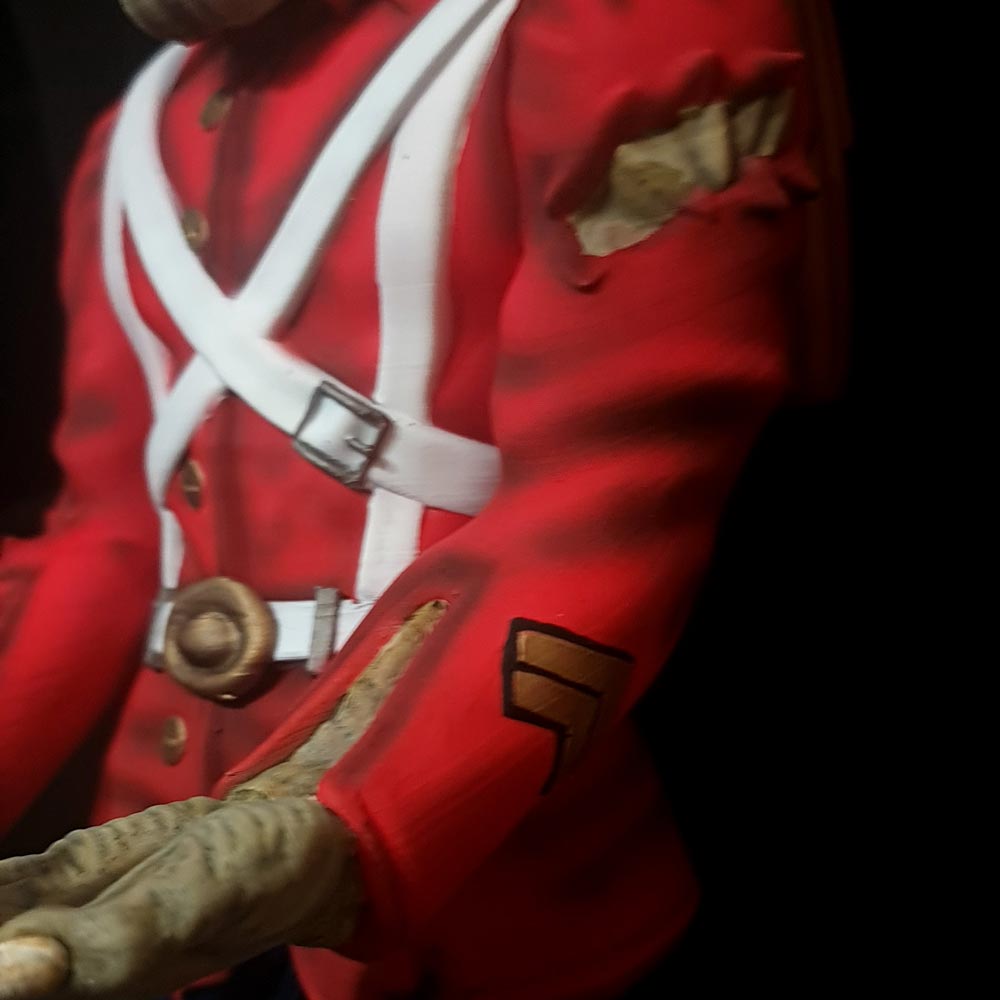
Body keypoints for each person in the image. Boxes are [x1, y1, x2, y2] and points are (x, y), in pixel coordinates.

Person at [0, 1, 848, 997]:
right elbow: (104, 536)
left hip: (491, 888)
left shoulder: (620, 23)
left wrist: (350, 814)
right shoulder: (133, 134)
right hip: (141, 887)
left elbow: (605, 503)